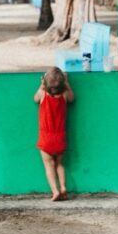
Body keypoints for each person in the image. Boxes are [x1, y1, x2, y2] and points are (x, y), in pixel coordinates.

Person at [34, 67, 75, 201]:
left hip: (46, 137)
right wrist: (68, 83)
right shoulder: (64, 96)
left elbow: (35, 99)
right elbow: (72, 98)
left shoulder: (43, 95)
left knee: (48, 165)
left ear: (45, 82)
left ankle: (55, 191)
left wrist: (41, 85)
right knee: (59, 164)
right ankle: (63, 186)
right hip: (60, 137)